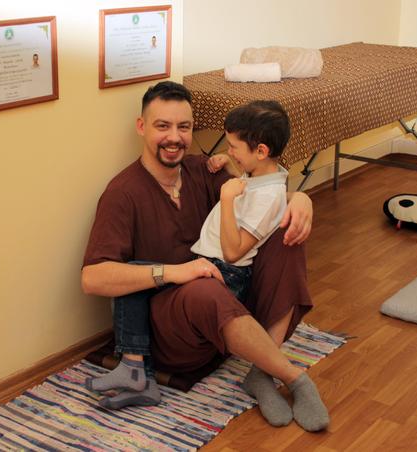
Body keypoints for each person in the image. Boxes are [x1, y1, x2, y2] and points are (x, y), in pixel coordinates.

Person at [82, 81, 329, 431]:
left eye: (183, 127)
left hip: (224, 299)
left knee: (287, 238)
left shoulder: (202, 168)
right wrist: (174, 272)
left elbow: (259, 197)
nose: (174, 137)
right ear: (141, 127)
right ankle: (294, 378)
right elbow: (92, 279)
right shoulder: (122, 193)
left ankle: (261, 372)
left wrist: (300, 199)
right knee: (204, 287)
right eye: (162, 126)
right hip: (170, 329)